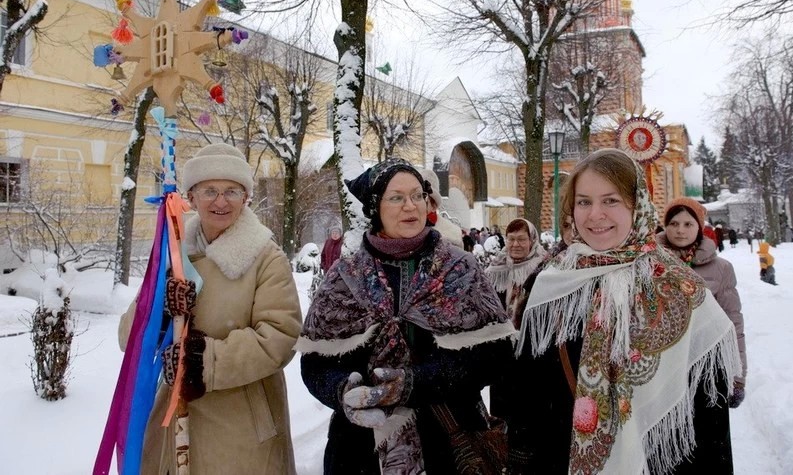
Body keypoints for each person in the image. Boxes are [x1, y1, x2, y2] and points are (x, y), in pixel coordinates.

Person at [501, 149, 741, 474]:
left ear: (637, 204)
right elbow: (522, 391)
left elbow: (711, 418)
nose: (594, 214)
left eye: (611, 200)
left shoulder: (681, 289)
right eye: (584, 201)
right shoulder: (548, 284)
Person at [296, 158, 516, 474]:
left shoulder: (459, 270)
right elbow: (315, 363)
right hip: (360, 451)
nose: (410, 206)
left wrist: (415, 382)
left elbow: (495, 353)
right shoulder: (344, 278)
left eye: (417, 195)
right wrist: (343, 390)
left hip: (450, 442)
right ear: (374, 208)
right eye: (396, 197)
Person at [118, 143, 302, 474]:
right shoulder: (172, 257)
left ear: (246, 196)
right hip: (174, 428)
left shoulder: (265, 258)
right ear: (191, 196)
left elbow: (281, 337)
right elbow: (127, 340)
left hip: (242, 429)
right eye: (210, 191)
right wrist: (159, 312)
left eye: (232, 190)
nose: (221, 201)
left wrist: (205, 362)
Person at [658, 198, 747, 409]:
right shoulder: (649, 263)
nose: (680, 230)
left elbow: (733, 323)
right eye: (674, 224)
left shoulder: (721, 268)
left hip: (709, 367)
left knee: (709, 437)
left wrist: (738, 376)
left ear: (699, 227)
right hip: (662, 370)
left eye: (688, 224)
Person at [485, 218, 547, 327]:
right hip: (503, 336)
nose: (515, 244)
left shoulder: (544, 268)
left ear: (532, 241)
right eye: (511, 239)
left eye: (521, 239)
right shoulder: (497, 268)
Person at [420, 168, 465, 248]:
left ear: (434, 205)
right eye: (415, 197)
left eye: (424, 198)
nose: (416, 203)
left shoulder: (451, 236)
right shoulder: (401, 229)